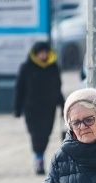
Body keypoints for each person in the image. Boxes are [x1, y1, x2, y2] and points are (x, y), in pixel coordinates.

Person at [14, 42, 65, 175]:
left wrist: (62, 103)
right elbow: (20, 89)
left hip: (49, 107)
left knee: (46, 133)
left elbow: (57, 87)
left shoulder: (53, 67)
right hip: (32, 108)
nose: (43, 55)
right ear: (35, 54)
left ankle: (40, 155)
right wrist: (17, 108)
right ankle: (39, 159)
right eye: (41, 52)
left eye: (45, 52)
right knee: (35, 134)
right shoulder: (26, 67)